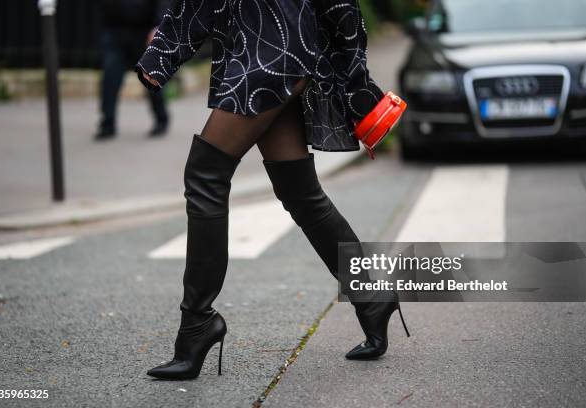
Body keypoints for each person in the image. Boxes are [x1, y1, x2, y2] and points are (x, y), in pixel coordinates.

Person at [135, 0, 410, 380]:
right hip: (279, 51)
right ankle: (371, 297)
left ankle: (197, 325)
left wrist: (163, 52)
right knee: (300, 191)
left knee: (206, 176)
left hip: (266, 57)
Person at [95, 0, 170, 140]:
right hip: (115, 30)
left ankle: (161, 119)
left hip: (144, 30)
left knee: (150, 75)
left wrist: (158, 26)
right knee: (110, 77)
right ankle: (107, 123)